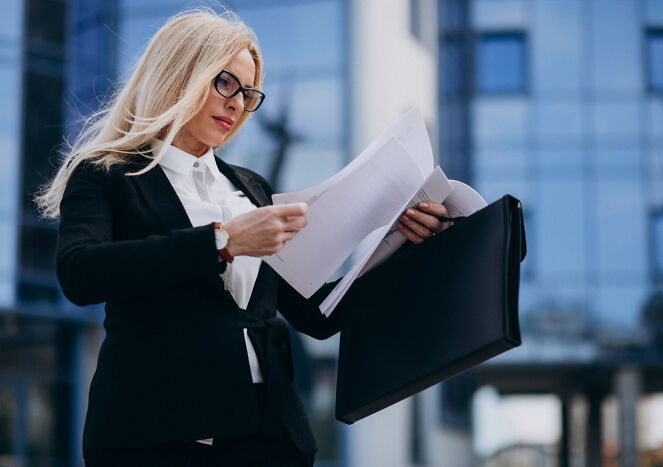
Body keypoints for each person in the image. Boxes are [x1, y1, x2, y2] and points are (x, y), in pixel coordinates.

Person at [36, 8, 451, 466]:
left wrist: (396, 246)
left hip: (268, 441)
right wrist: (221, 243)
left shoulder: (252, 189)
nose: (237, 103)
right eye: (225, 83)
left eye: (248, 92)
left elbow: (316, 316)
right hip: (154, 436)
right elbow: (80, 273)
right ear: (178, 73)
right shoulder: (108, 174)